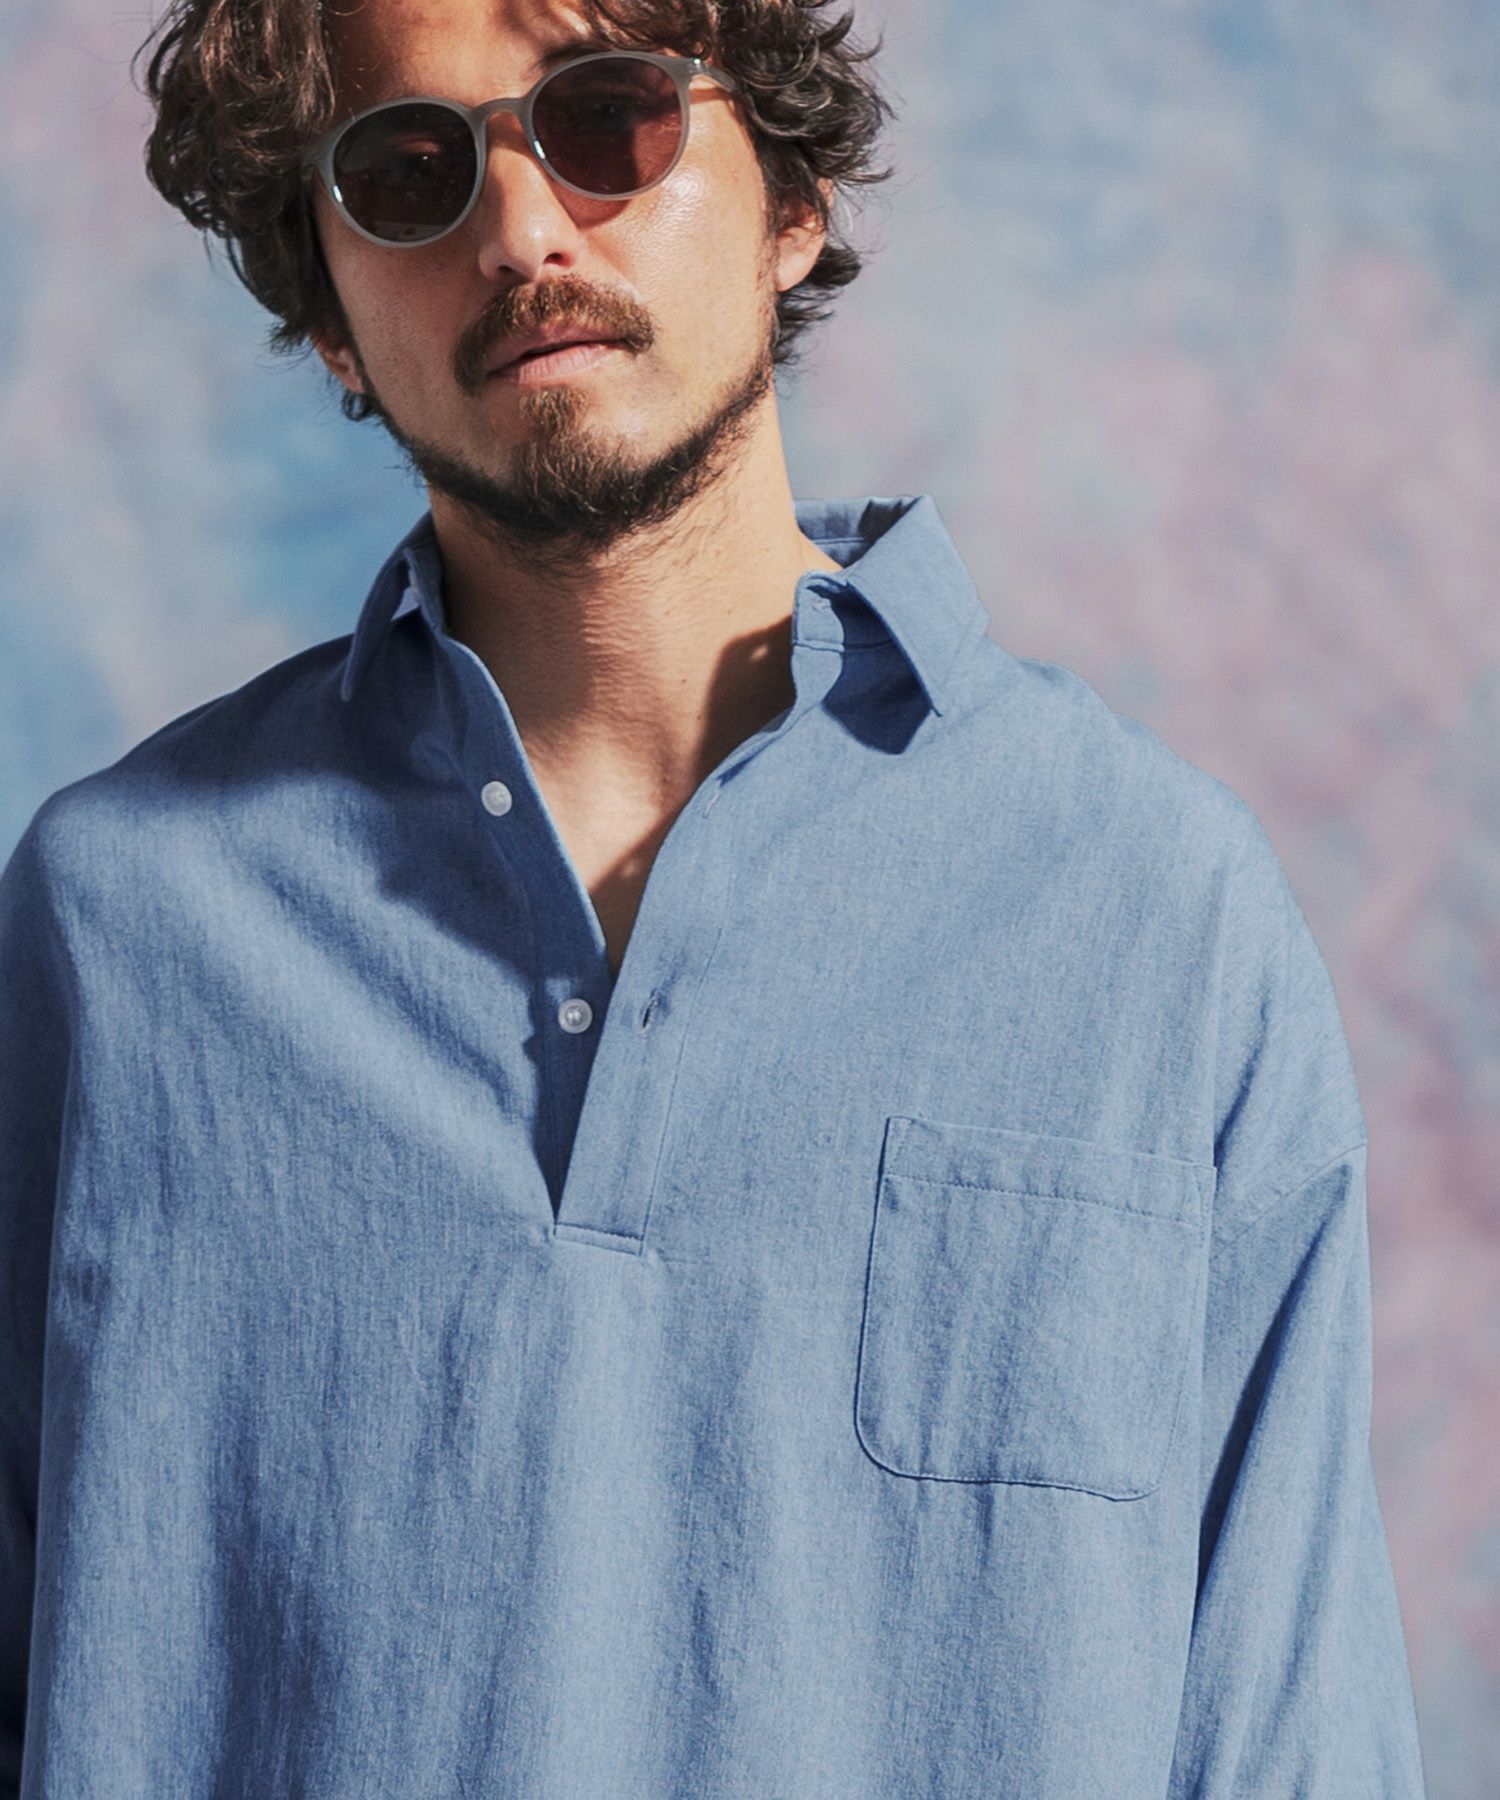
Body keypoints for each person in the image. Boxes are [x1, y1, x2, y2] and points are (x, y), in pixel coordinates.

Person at [0, 0, 1428, 1793]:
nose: (524, 231)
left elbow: (1294, 1739)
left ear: (795, 201)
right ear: (331, 319)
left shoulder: (1161, 914)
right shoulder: (116, 932)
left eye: (609, 122)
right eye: (409, 173)